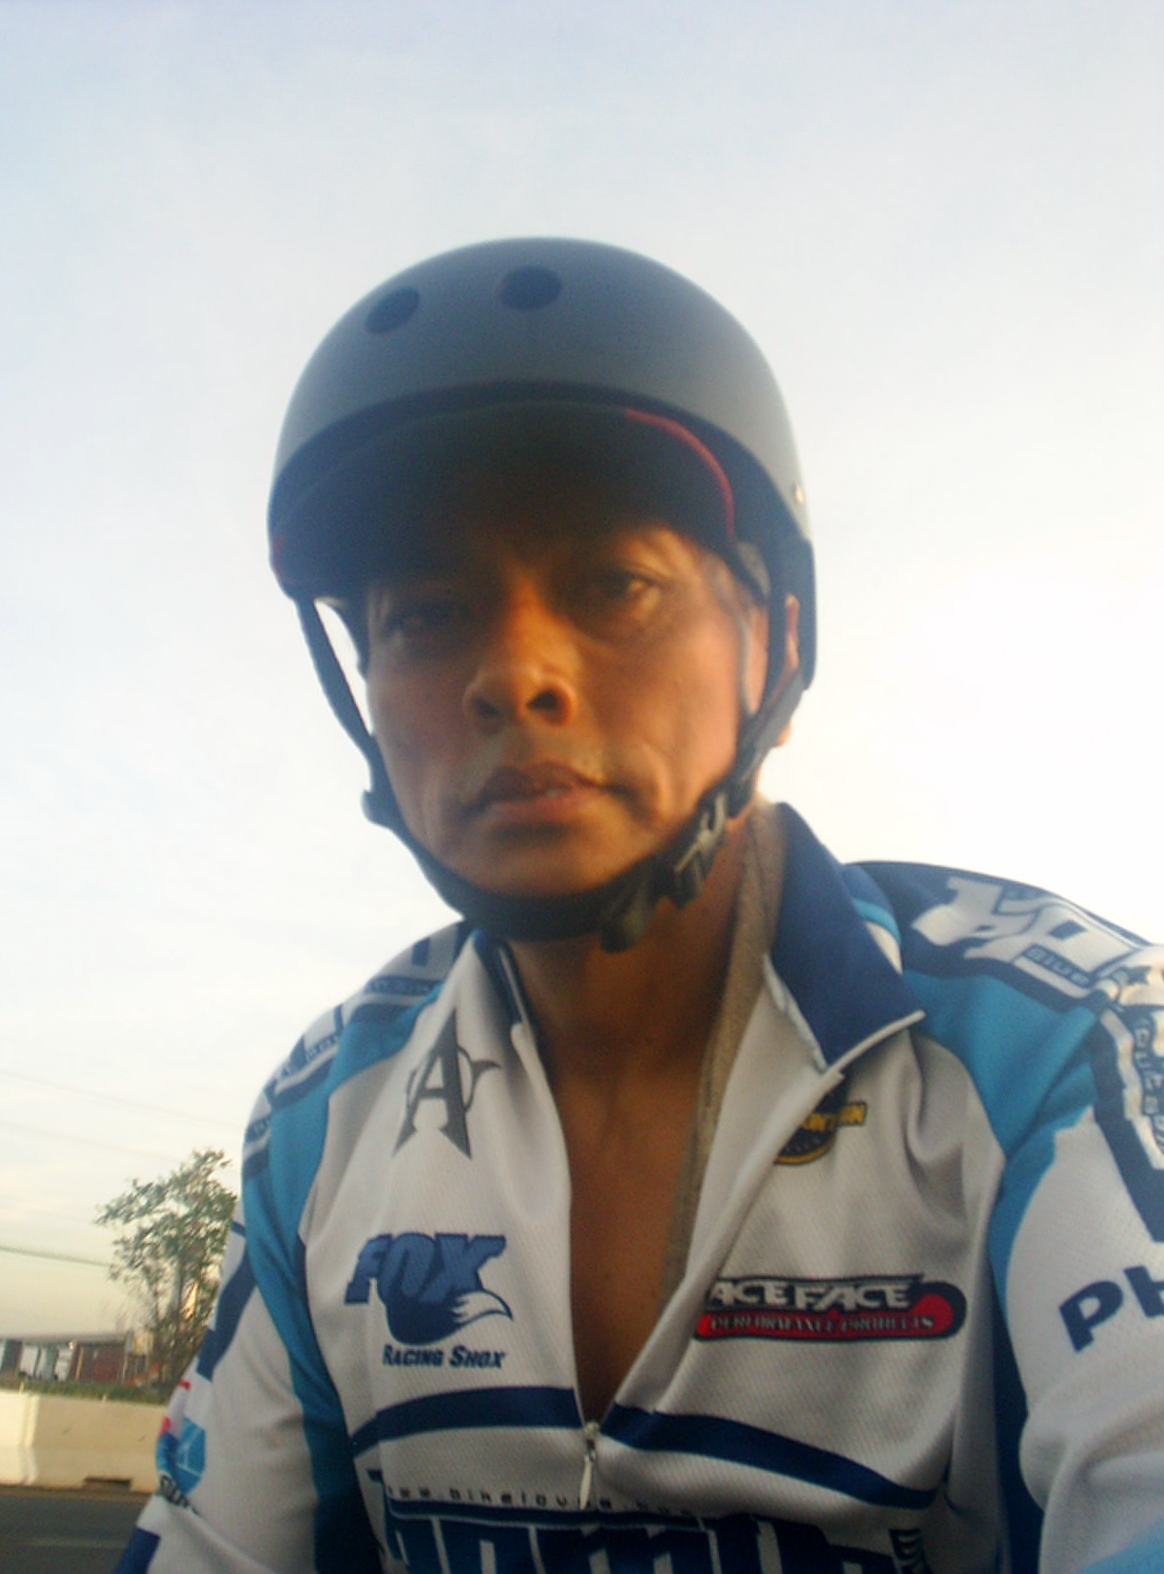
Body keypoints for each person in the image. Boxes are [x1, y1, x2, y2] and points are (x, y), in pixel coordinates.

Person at [116, 240, 1164, 1574]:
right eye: (425, 613)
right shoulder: (325, 1113)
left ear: (777, 642)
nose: (515, 671)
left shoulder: (1070, 1044)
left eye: (615, 583)